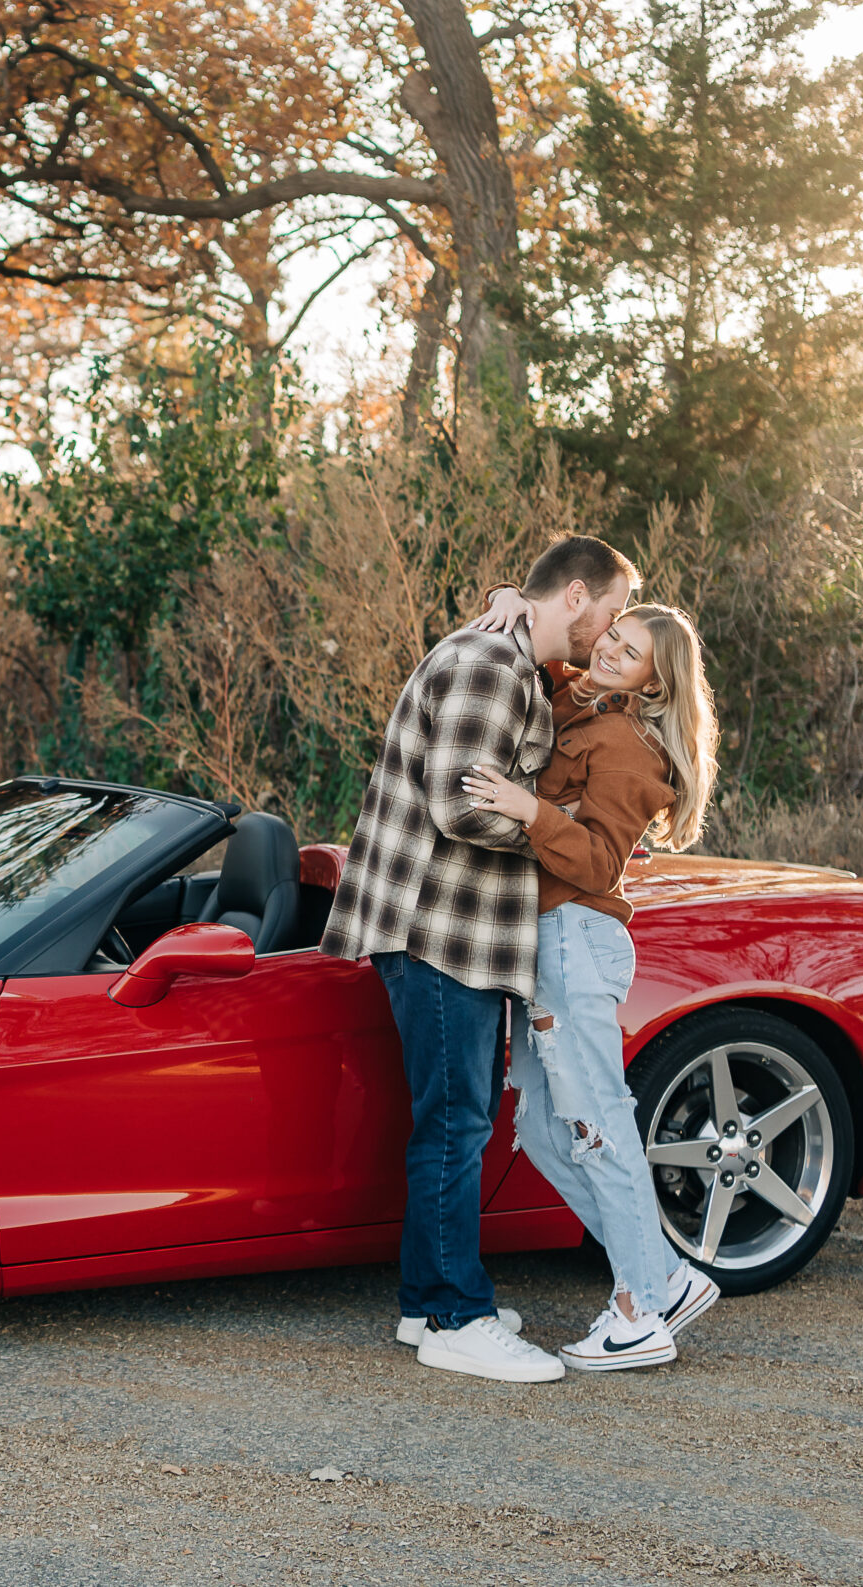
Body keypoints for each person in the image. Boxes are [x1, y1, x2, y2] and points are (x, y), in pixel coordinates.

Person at [321, 534, 637, 1385]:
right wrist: (551, 828)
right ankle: (459, 1315)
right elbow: (461, 804)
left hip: (454, 932)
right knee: (458, 1123)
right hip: (439, 932)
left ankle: (430, 1304)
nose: (611, 632)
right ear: (575, 594)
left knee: (450, 1121)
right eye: (610, 612)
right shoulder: (492, 664)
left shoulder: (510, 657)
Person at [460, 596, 724, 1371]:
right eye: (614, 632)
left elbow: (601, 863)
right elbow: (546, 659)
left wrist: (528, 809)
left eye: (631, 649)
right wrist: (511, 600)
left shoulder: (629, 746)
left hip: (576, 937)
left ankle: (640, 1309)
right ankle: (665, 1275)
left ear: (654, 681)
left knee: (593, 1122)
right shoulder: (582, 698)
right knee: (543, 1130)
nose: (609, 648)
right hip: (545, 941)